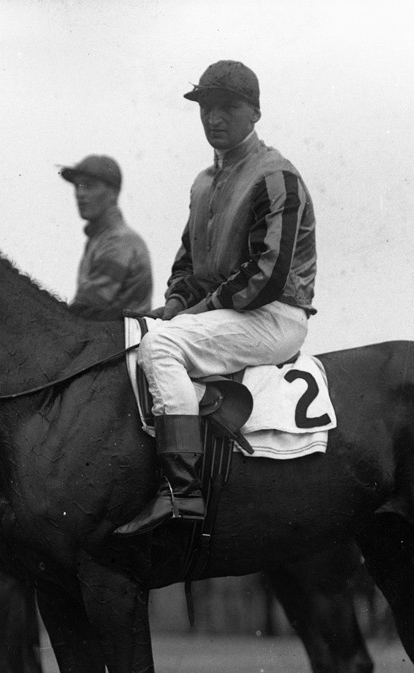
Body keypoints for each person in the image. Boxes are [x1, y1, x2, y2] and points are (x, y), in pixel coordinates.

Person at [117, 60, 317, 536]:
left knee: (161, 347)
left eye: (227, 107)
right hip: (225, 316)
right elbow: (189, 263)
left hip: (274, 315)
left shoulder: (277, 176)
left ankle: (182, 491)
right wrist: (172, 303)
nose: (213, 118)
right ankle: (206, 400)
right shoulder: (203, 183)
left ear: (255, 113)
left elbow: (266, 275)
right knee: (135, 338)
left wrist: (192, 313)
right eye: (205, 107)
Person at [57, 154, 152, 319]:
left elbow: (87, 305)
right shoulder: (100, 238)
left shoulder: (119, 240)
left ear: (113, 193)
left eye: (89, 186)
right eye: (77, 186)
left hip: (124, 341)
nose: (80, 193)